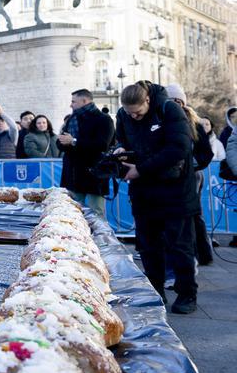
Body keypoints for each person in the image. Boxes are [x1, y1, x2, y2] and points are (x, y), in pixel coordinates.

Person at [115, 81, 198, 314]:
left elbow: (178, 148)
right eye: (130, 113)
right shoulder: (124, 114)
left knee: (179, 245)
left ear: (148, 101)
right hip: (144, 191)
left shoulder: (169, 109)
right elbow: (123, 140)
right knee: (148, 246)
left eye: (138, 112)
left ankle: (187, 293)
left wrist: (141, 169)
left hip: (176, 190)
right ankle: (155, 291)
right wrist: (121, 151)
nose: (135, 116)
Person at [165, 84, 214, 266]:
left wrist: (190, 164)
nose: (175, 104)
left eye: (178, 101)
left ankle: (201, 253)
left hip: (192, 175)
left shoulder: (194, 123)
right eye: (171, 101)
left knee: (192, 214)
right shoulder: (163, 121)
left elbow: (206, 153)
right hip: (170, 175)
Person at [57, 89, 115, 222]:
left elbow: (102, 145)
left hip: (94, 174)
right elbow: (61, 142)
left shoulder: (103, 119)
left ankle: (100, 242)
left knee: (96, 215)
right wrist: (64, 142)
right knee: (71, 214)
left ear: (84, 101)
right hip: (73, 174)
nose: (71, 105)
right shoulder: (72, 118)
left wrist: (74, 141)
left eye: (73, 101)